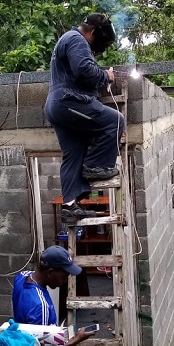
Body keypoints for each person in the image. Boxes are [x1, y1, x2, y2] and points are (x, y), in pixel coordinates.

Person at [44, 13, 125, 225]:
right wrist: (105, 76)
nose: (99, 49)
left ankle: (70, 207)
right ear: (94, 32)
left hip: (58, 106)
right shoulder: (76, 39)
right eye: (101, 43)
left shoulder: (68, 39)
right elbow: (83, 70)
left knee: (74, 153)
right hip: (69, 101)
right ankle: (96, 167)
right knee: (115, 121)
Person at [12, 245, 97, 346]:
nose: (66, 280)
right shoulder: (40, 306)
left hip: (46, 344)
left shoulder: (22, 277)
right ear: (50, 272)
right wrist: (76, 339)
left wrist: (57, 333)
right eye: (64, 275)